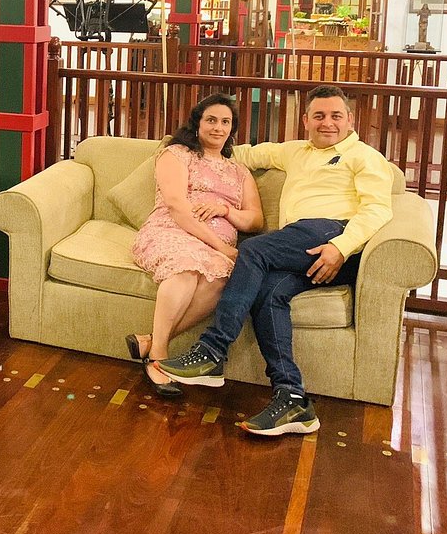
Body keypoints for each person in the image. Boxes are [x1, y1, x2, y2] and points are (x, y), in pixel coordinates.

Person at [158, 85, 394, 436]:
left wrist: (341, 247)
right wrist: (181, 148)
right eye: (319, 116)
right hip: (301, 249)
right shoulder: (294, 151)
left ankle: (213, 350)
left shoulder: (365, 157)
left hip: (336, 237)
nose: (327, 123)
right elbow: (243, 154)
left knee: (253, 250)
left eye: (335, 116)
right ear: (306, 120)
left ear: (350, 119)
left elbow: (378, 210)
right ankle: (292, 398)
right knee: (268, 296)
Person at [126, 94, 264, 400]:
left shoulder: (240, 172)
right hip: (171, 231)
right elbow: (177, 206)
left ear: (232, 129)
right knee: (188, 269)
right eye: (211, 120)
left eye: (225, 122)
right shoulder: (176, 154)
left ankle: (150, 340)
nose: (218, 128)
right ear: (197, 123)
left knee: (223, 277)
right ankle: (158, 356)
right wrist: (219, 246)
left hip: (215, 249)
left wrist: (226, 210)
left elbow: (255, 220)